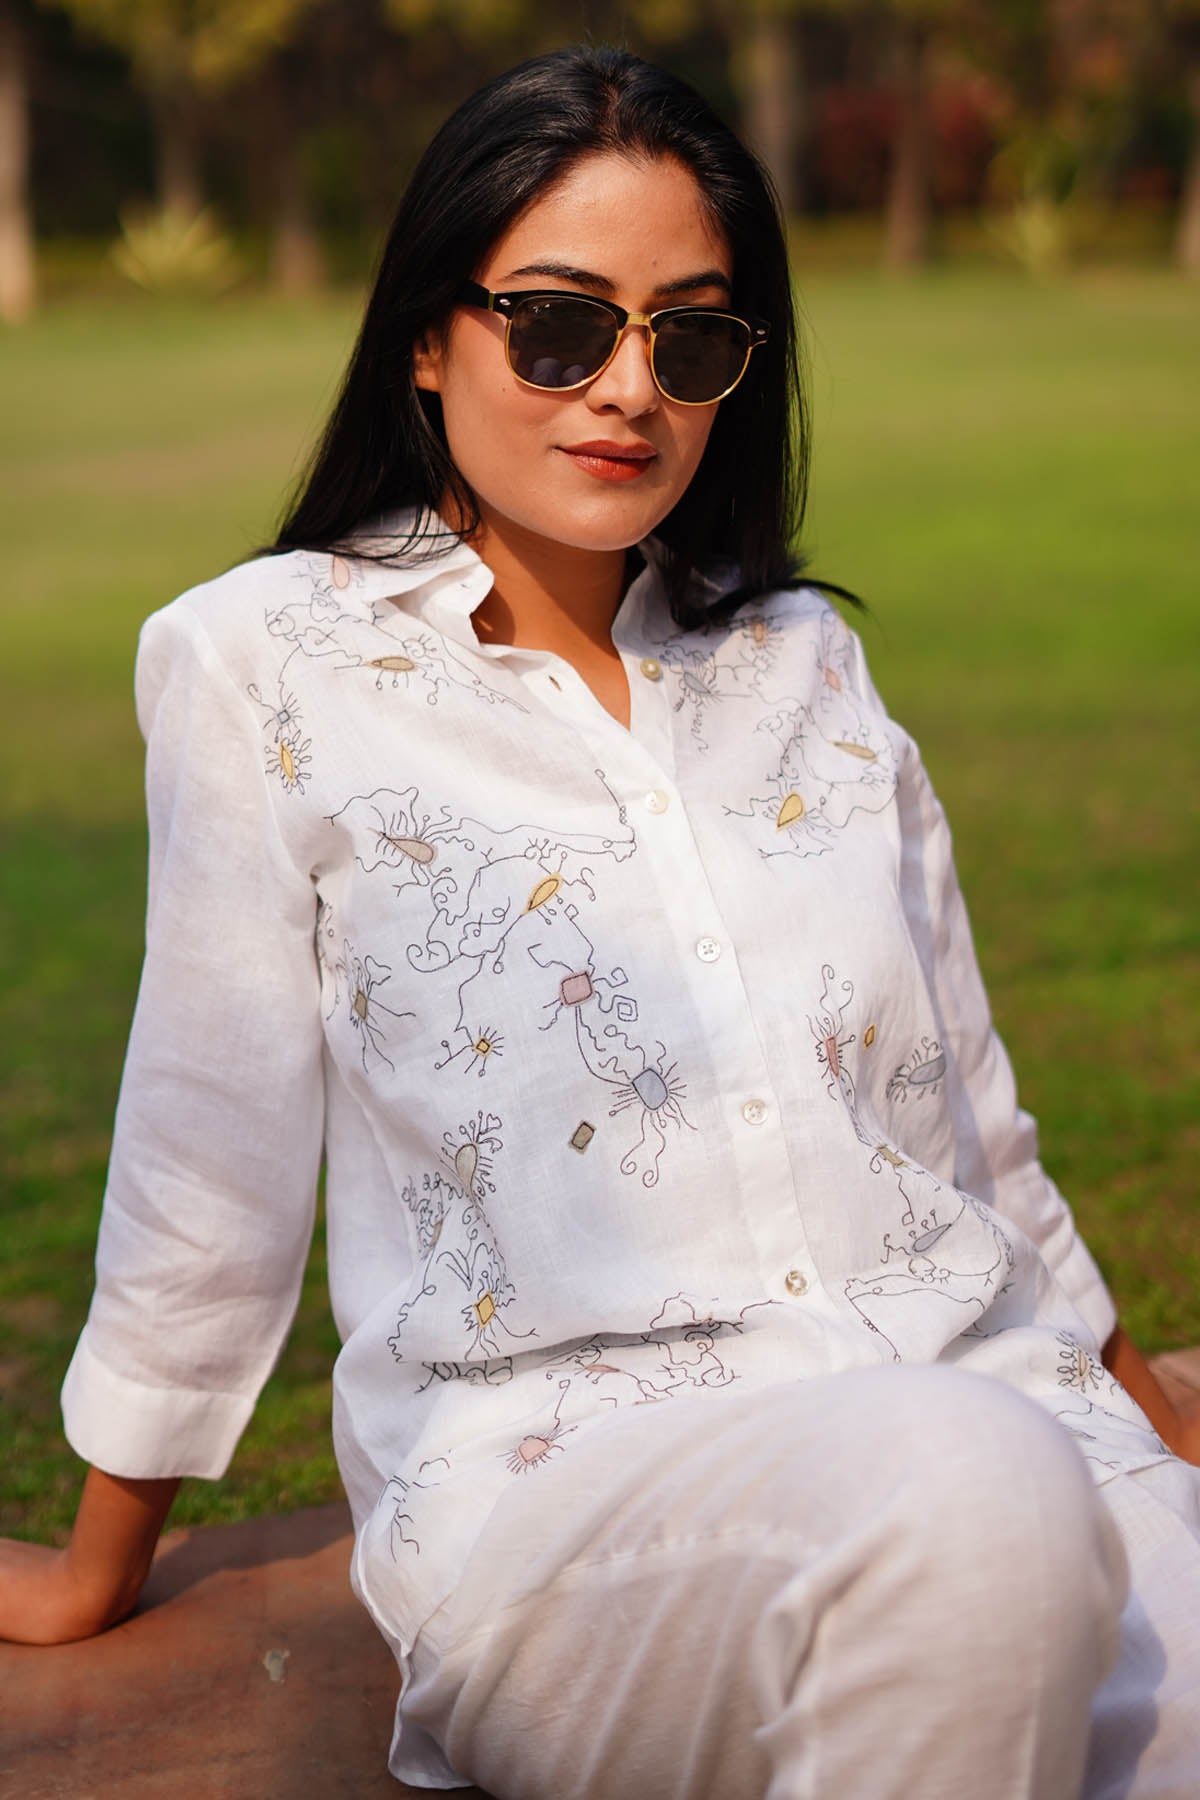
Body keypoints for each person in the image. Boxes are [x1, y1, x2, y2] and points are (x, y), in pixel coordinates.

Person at [1, 43, 1197, 1800]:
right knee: (970, 1504)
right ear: (429, 333)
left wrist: (1147, 1417)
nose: (628, 387)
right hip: (577, 1513)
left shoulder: (806, 664)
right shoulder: (266, 667)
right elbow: (210, 1139)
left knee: (1020, 1508)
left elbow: (970, 1120)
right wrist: (102, 1564)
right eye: (560, 325)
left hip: (1015, 1415)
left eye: (690, 337)